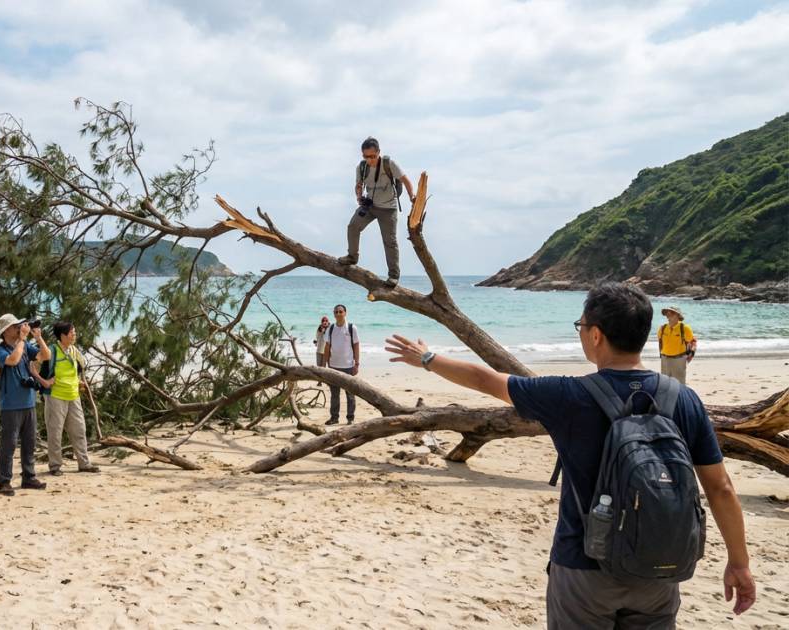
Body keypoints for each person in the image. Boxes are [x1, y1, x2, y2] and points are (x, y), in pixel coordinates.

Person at [385, 282, 756, 628]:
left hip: (583, 568)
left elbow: (486, 380)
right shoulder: (684, 399)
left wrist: (427, 358)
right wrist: (739, 563)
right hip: (659, 568)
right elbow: (720, 488)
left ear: (596, 335)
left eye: (581, 326)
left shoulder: (568, 396)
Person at [337, 137, 416, 287]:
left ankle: (393, 276)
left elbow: (406, 180)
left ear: (379, 152)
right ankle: (352, 257)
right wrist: (359, 196)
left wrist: (412, 196)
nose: (369, 160)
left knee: (390, 241)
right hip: (370, 205)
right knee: (353, 226)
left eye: (372, 156)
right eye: (366, 156)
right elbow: (358, 185)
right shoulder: (361, 167)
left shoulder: (389, 164)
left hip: (388, 208)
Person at [0, 314, 52, 495]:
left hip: (29, 402)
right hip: (10, 404)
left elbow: (46, 355)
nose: (19, 328)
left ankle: (29, 477)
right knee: (8, 445)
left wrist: (38, 338)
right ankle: (4, 481)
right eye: (15, 326)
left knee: (29, 443)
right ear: (5, 331)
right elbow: (13, 360)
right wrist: (23, 339)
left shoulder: (25, 345)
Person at [38, 322, 99, 476]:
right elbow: (35, 365)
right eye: (72, 333)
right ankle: (55, 466)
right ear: (62, 335)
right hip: (55, 396)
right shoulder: (52, 350)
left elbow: (77, 369)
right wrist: (44, 382)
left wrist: (79, 381)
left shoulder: (74, 350)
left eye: (74, 332)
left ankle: (84, 463)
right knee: (55, 432)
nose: (74, 335)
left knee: (79, 430)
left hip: (73, 395)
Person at [322, 304, 359, 425]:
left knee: (350, 394)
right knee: (334, 395)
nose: (338, 314)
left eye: (340, 311)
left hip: (348, 366)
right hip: (333, 366)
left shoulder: (352, 328)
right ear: (334, 314)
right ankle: (334, 418)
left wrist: (357, 364)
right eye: (336, 312)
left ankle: (350, 418)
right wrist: (324, 365)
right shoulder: (331, 328)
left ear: (345, 313)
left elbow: (356, 345)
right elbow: (327, 346)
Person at [657, 306, 696, 384]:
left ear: (678, 315)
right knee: (665, 384)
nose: (668, 315)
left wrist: (691, 355)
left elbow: (693, 342)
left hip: (679, 359)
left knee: (679, 385)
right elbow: (660, 342)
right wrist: (661, 355)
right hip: (664, 359)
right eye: (667, 313)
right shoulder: (662, 328)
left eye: (672, 313)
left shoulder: (684, 328)